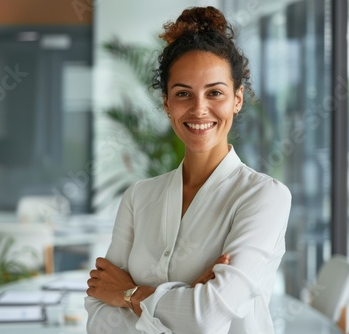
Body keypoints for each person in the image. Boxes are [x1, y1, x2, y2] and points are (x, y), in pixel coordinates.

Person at [85, 6, 292, 334]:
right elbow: (98, 317)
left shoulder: (264, 197)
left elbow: (204, 318)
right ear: (167, 103)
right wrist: (187, 298)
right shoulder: (138, 198)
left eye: (215, 93)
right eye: (183, 93)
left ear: (237, 99)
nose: (199, 108)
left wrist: (128, 294)